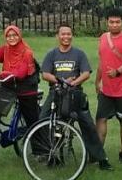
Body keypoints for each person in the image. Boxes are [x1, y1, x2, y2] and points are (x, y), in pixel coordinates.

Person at [40, 23, 112, 171]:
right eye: (63, 34)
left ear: (72, 36)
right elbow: (45, 74)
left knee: (88, 125)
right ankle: (47, 153)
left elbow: (86, 72)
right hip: (56, 93)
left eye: (68, 34)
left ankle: (100, 158)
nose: (66, 37)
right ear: (57, 36)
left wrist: (74, 83)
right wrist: (61, 81)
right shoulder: (51, 54)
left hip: (75, 94)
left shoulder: (79, 54)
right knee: (42, 119)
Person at [95, 8, 122, 164]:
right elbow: (102, 61)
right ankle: (98, 152)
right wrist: (98, 80)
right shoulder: (103, 38)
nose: (114, 25)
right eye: (111, 22)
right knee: (101, 119)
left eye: (117, 22)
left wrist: (118, 71)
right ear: (107, 23)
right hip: (107, 89)